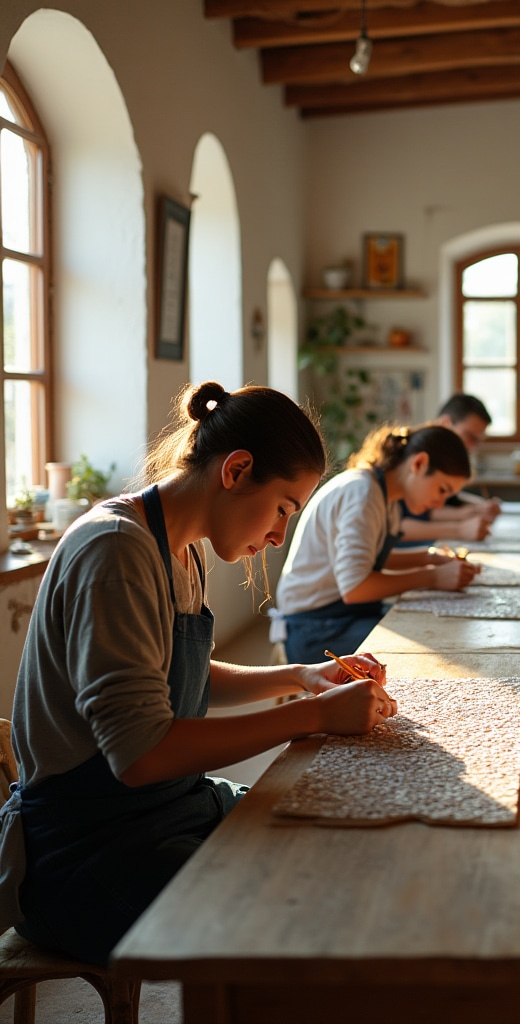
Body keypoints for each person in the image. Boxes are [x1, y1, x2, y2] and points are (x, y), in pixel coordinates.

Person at [0, 381, 397, 966]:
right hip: (86, 851)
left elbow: (179, 678)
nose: (278, 535)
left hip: (165, 811)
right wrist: (311, 716)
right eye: (284, 509)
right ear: (236, 470)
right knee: (299, 906)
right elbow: (141, 753)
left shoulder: (180, 549)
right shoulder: (114, 550)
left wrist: (304, 677)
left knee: (328, 828)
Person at [276, 422, 481, 663]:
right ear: (419, 463)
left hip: (340, 617)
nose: (439, 503)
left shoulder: (387, 496)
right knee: (424, 650)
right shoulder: (362, 493)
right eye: (442, 490)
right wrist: (433, 576)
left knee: (431, 626)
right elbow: (355, 587)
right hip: (316, 629)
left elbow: (368, 559)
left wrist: (430, 558)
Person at [398, 393, 501, 544]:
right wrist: (459, 528)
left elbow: (451, 500)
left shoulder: (440, 459)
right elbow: (397, 525)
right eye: (469, 437)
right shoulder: (413, 457)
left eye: (477, 441)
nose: (471, 448)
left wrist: (479, 506)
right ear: (445, 423)